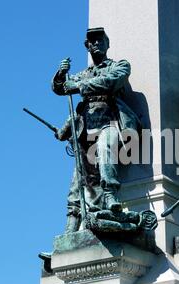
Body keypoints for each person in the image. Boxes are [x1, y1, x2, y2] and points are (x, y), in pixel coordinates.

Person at [52, 27, 141, 233]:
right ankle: (71, 230)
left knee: (104, 147)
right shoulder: (84, 73)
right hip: (85, 129)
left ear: (108, 44)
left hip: (110, 122)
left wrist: (80, 86)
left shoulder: (119, 66)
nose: (96, 45)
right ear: (87, 47)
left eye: (100, 41)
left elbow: (111, 82)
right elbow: (61, 88)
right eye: (92, 42)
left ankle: (111, 194)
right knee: (79, 180)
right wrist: (60, 74)